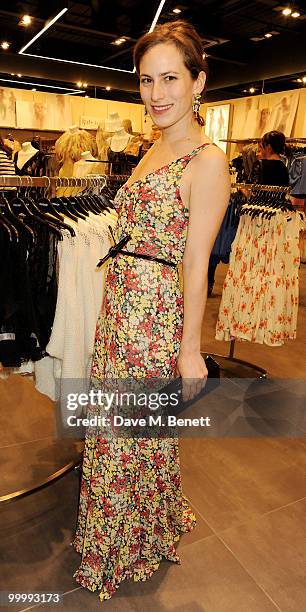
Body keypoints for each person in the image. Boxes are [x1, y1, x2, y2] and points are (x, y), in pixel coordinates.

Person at [73, 19, 230, 602]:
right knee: (128, 437)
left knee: (127, 438)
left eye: (170, 78)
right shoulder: (154, 148)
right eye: (146, 81)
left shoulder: (207, 162)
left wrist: (190, 351)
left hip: (154, 322)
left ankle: (120, 548)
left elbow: (197, 266)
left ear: (198, 82)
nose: (157, 93)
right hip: (122, 314)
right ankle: (140, 530)